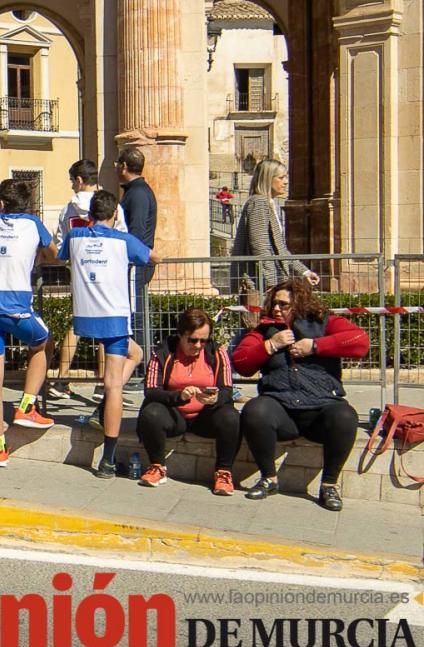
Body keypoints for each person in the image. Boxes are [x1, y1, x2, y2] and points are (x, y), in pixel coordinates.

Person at [232, 278, 369, 511]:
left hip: (321, 407)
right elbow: (241, 362)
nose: (276, 308)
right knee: (255, 410)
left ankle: (329, 485)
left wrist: (315, 346)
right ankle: (269, 478)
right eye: (274, 303)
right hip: (281, 408)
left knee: (345, 416)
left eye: (283, 305)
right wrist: (270, 346)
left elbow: (360, 342)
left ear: (300, 304)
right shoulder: (263, 331)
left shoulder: (325, 323)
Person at [58, 191, 161, 478]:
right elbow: (154, 257)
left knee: (136, 353)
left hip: (85, 315)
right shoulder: (123, 240)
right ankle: (108, 458)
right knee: (114, 385)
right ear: (115, 215)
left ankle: (101, 408)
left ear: (90, 214)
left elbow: (60, 255)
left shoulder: (75, 237)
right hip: (114, 317)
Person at [0, 179, 56, 467]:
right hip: (15, 303)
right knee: (43, 342)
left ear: (2, 203)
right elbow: (54, 253)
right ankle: (25, 406)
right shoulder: (34, 224)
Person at [49, 159, 128, 401]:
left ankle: (62, 378)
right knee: (107, 327)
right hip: (109, 272)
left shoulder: (68, 209)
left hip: (81, 273)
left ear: (80, 180)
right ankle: (105, 383)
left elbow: (60, 241)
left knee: (77, 324)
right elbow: (123, 237)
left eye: (73, 180)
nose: (72, 185)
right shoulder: (112, 206)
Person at [137, 308, 239, 494]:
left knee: (231, 416)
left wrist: (216, 398)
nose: (199, 345)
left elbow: (227, 390)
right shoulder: (163, 352)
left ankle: (224, 472)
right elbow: (151, 391)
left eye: (204, 340)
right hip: (175, 415)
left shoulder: (217, 352)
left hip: (205, 416)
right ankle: (157, 466)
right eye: (192, 340)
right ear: (180, 335)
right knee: (151, 413)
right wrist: (179, 396)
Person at [231, 160, 319, 323]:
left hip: (269, 282)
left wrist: (304, 272)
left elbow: (281, 250)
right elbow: (260, 246)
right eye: (281, 177)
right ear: (267, 178)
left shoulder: (269, 204)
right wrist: (272, 284)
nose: (286, 181)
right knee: (255, 330)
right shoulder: (259, 203)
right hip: (259, 283)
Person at [115, 147, 157, 357]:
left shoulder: (137, 194)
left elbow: (137, 232)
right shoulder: (134, 192)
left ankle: (142, 366)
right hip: (136, 262)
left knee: (136, 314)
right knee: (133, 311)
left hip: (136, 264)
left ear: (123, 166)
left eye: (117, 163)